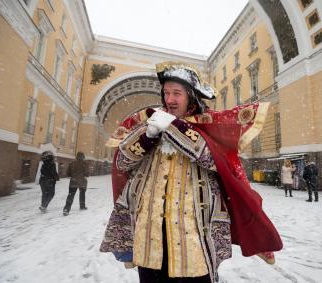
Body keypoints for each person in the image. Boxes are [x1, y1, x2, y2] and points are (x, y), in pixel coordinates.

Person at [100, 62, 283, 283]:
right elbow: (121, 163)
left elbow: (214, 160)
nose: (169, 99)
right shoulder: (150, 122)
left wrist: (174, 127)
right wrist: (148, 136)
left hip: (193, 237)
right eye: (166, 93)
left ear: (191, 97)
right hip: (149, 235)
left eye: (177, 93)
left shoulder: (206, 126)